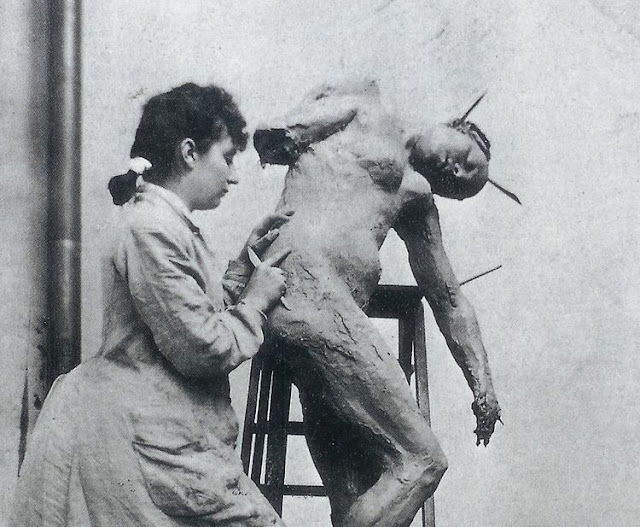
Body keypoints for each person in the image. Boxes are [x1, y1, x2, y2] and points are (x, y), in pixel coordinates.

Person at [11, 83, 292, 527]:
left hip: (157, 426)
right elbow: (201, 347)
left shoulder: (166, 224)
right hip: (142, 436)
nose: (234, 176)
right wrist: (255, 301)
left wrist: (242, 266)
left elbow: (189, 313)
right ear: (189, 152)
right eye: (227, 158)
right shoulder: (150, 228)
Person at [253, 79, 501, 527]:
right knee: (423, 461)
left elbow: (448, 297)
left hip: (320, 319)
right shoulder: (367, 107)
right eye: (467, 160)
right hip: (310, 294)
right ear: (457, 125)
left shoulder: (417, 197)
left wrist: (482, 382)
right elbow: (275, 135)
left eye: (461, 186)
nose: (455, 173)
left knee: (357, 490)